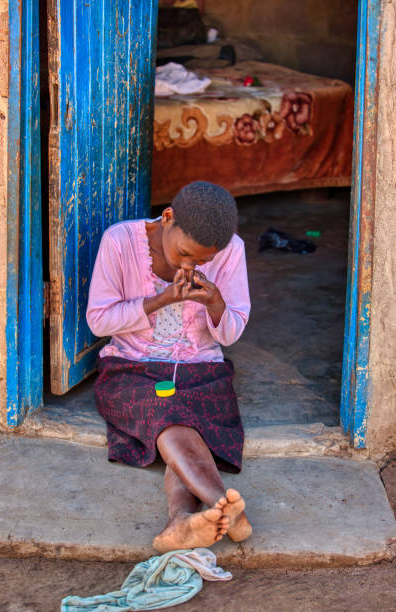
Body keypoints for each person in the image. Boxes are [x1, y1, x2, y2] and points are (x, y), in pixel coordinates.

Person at [86, 181, 252, 552]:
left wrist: (215, 302)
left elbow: (231, 332)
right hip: (131, 367)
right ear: (168, 217)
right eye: (183, 253)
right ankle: (221, 501)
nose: (190, 266)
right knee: (168, 409)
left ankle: (181, 521)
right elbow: (98, 321)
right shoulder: (120, 241)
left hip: (201, 369)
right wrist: (160, 299)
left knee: (181, 414)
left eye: (203, 260)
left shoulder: (232, 251)